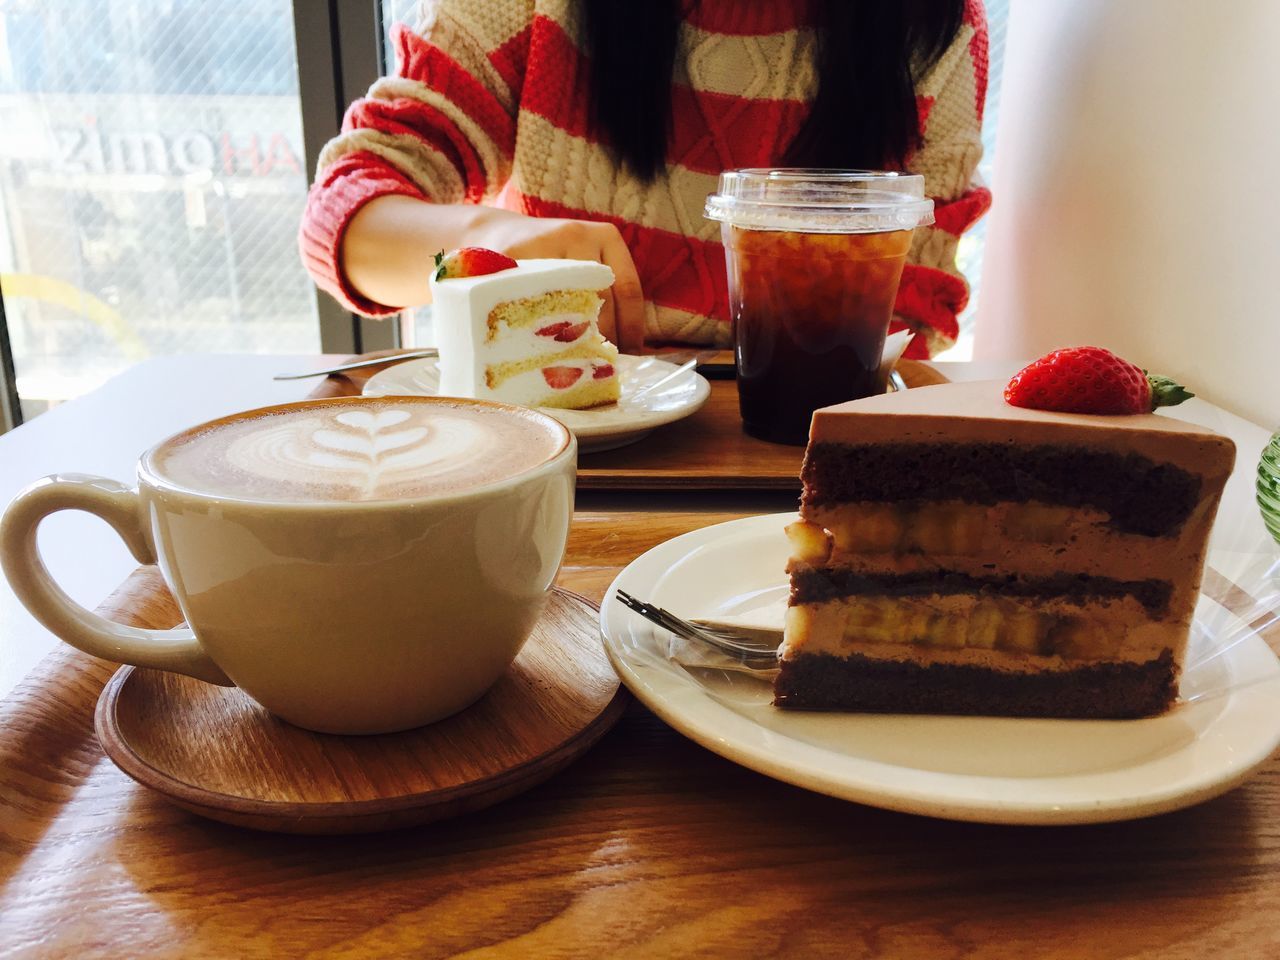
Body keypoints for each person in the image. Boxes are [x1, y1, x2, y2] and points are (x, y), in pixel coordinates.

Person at [299, 0, 990, 357]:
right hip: (557, 460)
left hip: (789, 476)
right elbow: (349, 220)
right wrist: (492, 242)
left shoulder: (932, 27)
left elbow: (915, 312)